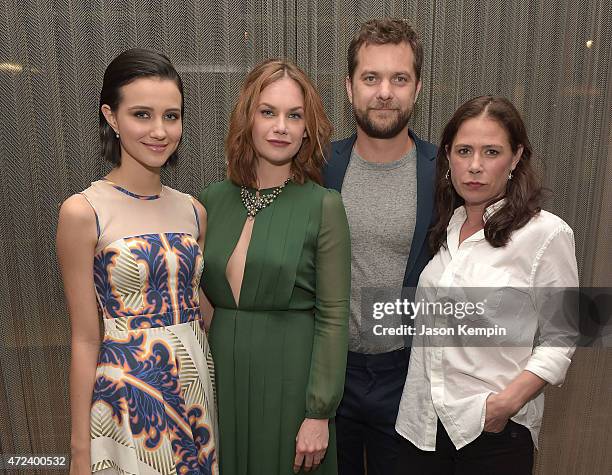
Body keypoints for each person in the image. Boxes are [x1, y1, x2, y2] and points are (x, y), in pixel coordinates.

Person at [394, 96, 578, 474]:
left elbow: (563, 337)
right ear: (448, 157)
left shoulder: (545, 233)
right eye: (464, 151)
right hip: (422, 428)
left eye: (491, 151)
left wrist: (506, 405)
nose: (474, 166)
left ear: (515, 158)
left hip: (491, 432)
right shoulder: (446, 225)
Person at [56, 49, 218, 475]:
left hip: (194, 392)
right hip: (127, 400)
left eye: (171, 116)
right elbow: (85, 339)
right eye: (142, 115)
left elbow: (201, 309)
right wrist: (79, 452)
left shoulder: (194, 211)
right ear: (111, 117)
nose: (160, 131)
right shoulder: (83, 211)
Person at [198, 59, 350, 475]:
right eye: (269, 112)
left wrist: (319, 413)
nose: (281, 126)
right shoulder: (212, 200)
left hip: (291, 378)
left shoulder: (324, 206)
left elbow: (335, 317)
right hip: (222, 377)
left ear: (307, 129)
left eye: (294, 115)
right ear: (248, 119)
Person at [323, 19, 437, 475]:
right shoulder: (318, 166)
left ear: (417, 88)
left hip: (409, 377)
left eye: (399, 78)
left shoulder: (445, 172)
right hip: (331, 376)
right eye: (371, 78)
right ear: (350, 87)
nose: (384, 92)